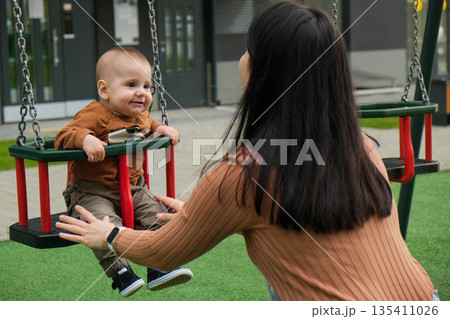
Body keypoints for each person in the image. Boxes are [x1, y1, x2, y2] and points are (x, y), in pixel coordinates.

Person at [57, 2, 438, 301]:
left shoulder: (242, 176)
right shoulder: (361, 149)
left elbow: (164, 252)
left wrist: (108, 236)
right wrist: (201, 217)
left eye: (248, 48)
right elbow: (303, 217)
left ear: (263, 69)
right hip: (423, 300)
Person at [55, 47, 193, 298]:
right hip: (91, 190)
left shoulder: (140, 115)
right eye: (131, 84)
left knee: (158, 216)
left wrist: (160, 127)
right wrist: (85, 139)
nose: (141, 92)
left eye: (147, 86)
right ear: (104, 90)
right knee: (103, 225)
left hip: (133, 187)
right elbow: (63, 135)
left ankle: (158, 267)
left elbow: (148, 123)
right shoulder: (93, 114)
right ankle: (121, 273)